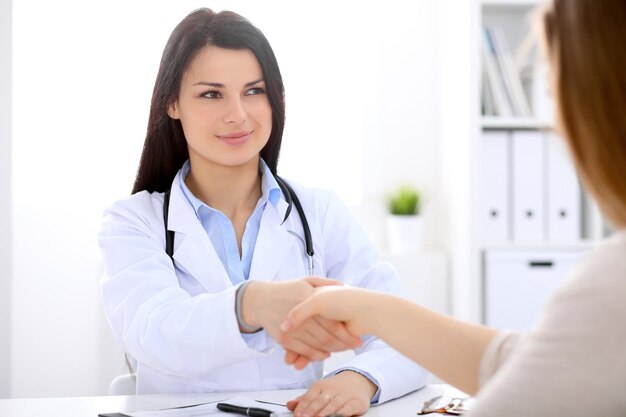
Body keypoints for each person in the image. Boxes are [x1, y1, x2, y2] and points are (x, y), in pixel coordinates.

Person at [281, 1, 626, 415]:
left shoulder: (613, 281)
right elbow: (532, 364)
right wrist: (371, 309)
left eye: (553, 90)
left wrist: (364, 360)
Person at [97, 7, 428, 417]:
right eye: (211, 94)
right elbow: (152, 332)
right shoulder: (134, 221)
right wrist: (249, 305)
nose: (237, 113)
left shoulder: (319, 213)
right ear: (172, 104)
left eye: (254, 90)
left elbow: (404, 332)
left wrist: (361, 378)